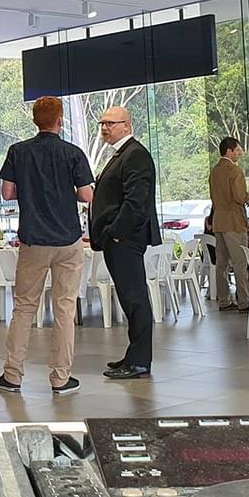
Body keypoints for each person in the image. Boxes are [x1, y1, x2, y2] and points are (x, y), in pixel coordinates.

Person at [0, 97, 95, 396]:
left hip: (34, 239)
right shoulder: (73, 153)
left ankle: (12, 375)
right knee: (64, 308)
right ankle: (61, 378)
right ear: (59, 120)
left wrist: (32, 188)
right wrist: (65, 192)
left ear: (35, 119)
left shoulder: (18, 152)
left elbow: (8, 193)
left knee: (24, 308)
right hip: (68, 239)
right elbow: (87, 195)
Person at [90, 105, 160, 380]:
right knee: (129, 298)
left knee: (135, 298)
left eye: (111, 123)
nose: (105, 127)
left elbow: (136, 202)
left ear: (126, 126)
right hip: (118, 239)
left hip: (126, 239)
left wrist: (115, 232)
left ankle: (140, 360)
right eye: (102, 123)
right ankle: (135, 355)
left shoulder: (135, 155)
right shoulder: (122, 154)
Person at [208, 137, 249, 312]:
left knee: (221, 264)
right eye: (237, 150)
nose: (239, 152)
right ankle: (244, 301)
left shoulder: (214, 172)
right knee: (240, 262)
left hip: (219, 220)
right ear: (228, 150)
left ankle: (224, 300)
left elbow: (213, 197)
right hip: (234, 221)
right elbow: (239, 197)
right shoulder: (235, 171)